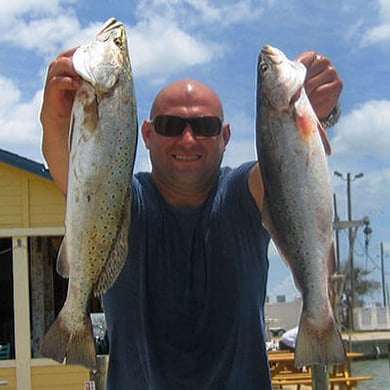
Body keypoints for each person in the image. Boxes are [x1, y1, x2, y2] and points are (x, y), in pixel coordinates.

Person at [40, 48, 342, 389]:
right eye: (170, 125)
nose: (187, 138)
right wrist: (54, 119)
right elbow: (71, 170)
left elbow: (287, 163)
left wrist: (317, 111)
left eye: (204, 126)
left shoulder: (243, 196)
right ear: (148, 135)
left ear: (225, 137)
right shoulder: (117, 201)